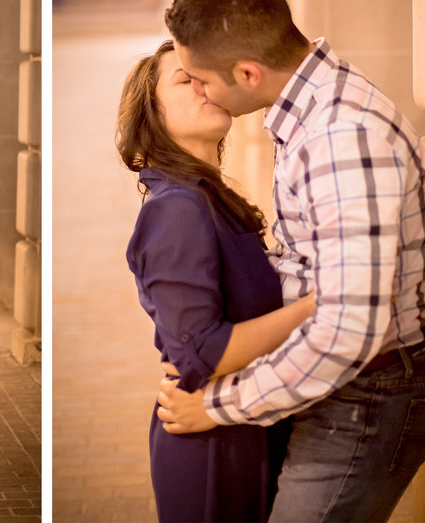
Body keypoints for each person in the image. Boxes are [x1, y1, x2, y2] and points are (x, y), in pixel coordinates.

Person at [155, 0, 425, 523]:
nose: (198, 90)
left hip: (369, 394)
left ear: (248, 72)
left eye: (199, 79)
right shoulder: (311, 107)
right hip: (338, 380)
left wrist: (218, 405)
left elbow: (347, 332)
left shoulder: (341, 139)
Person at [119, 40, 316, 522]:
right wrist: (322, 306)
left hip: (243, 421)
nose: (201, 85)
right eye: (184, 80)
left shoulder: (208, 197)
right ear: (154, 117)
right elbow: (199, 353)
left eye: (202, 75)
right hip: (212, 445)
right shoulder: (176, 209)